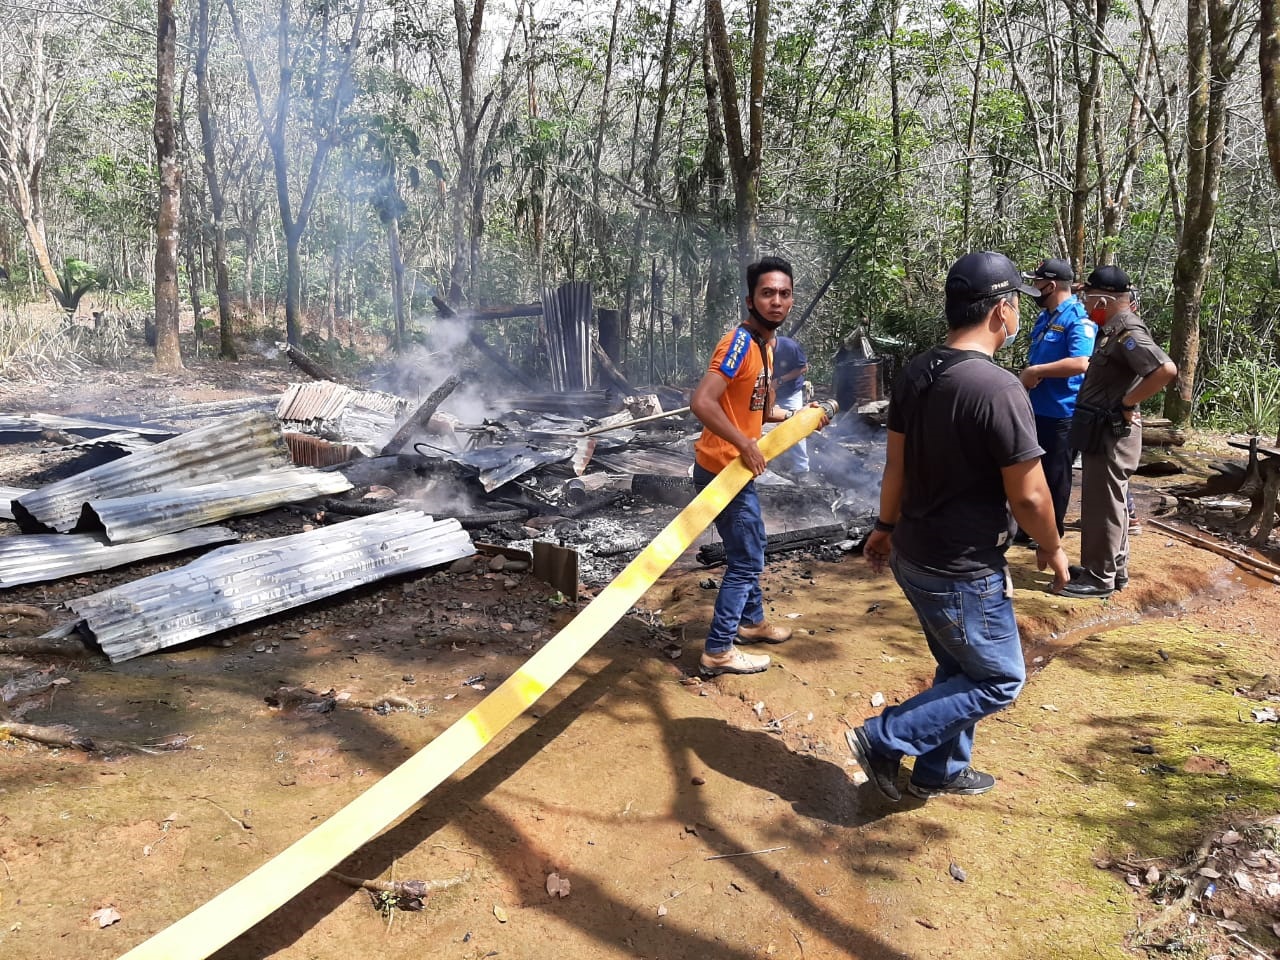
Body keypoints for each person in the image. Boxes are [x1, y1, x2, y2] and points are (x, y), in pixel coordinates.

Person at [849, 251, 1069, 802]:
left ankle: (940, 769)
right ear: (1001, 311)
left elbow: (895, 464)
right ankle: (884, 737)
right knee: (999, 677)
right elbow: (1030, 492)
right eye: (1016, 302)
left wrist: (884, 526)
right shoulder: (998, 389)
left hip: (915, 554)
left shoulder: (917, 371)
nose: (1018, 312)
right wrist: (1053, 546)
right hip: (961, 567)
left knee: (958, 664)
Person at [689, 256, 830, 677]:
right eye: (767, 293)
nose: (777, 301)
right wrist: (744, 444)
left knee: (745, 550)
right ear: (750, 299)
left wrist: (802, 417)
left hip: (734, 467)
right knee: (748, 560)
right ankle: (718, 650)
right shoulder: (738, 344)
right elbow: (702, 402)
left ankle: (751, 624)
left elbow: (762, 411)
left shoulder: (767, 346)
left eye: (784, 294)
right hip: (723, 470)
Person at [1059, 266, 1176, 599]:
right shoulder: (1111, 329)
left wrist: (1128, 403)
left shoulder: (1127, 330)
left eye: (1087, 298)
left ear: (1102, 298)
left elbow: (1164, 369)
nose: (1083, 304)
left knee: (1104, 505)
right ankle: (1112, 569)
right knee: (1106, 503)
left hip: (1112, 431)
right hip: (1099, 428)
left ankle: (1100, 577)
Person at [1015, 258, 1094, 541]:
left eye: (1037, 282)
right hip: (1036, 409)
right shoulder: (1046, 316)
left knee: (1056, 476)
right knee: (1033, 473)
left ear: (1049, 285)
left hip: (1062, 413)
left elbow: (1082, 362)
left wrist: (1037, 371)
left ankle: (1051, 533)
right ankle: (1028, 528)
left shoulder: (1077, 318)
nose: (1034, 288)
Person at [768, 334, 811, 477]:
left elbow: (804, 368)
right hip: (768, 393)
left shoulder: (789, 347)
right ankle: (770, 462)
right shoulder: (756, 349)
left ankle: (801, 469)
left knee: (795, 426)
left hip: (790, 393)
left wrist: (780, 381)